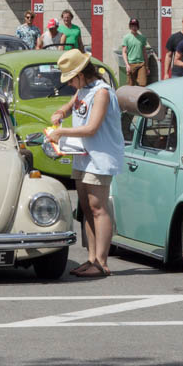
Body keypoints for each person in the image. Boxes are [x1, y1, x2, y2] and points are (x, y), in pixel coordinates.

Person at [46, 49, 123, 278]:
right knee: (87, 207)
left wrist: (61, 132)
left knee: (98, 207)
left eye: (71, 78)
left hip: (100, 156)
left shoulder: (102, 92)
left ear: (81, 73)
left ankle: (101, 261)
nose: (70, 83)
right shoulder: (84, 88)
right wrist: (61, 111)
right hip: (82, 154)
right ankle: (91, 258)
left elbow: (92, 128)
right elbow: (73, 103)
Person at [121, 18, 152, 86]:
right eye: (132, 26)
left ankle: (141, 96)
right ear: (130, 27)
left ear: (138, 27)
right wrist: (127, 65)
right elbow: (124, 52)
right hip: (131, 64)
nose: (134, 27)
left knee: (142, 84)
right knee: (130, 85)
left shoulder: (142, 38)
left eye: (135, 26)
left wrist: (147, 67)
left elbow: (144, 52)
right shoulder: (126, 38)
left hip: (141, 64)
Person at [163, 13, 183, 78]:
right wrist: (166, 73)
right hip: (177, 73)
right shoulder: (174, 38)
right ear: (182, 22)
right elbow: (168, 56)